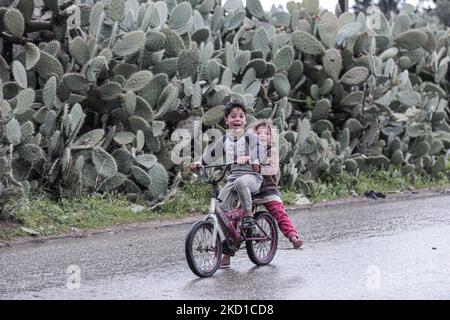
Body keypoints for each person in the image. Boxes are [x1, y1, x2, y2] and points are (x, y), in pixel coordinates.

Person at [220, 119, 304, 268]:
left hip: (267, 189)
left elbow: (271, 169)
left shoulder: (272, 151)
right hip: (250, 191)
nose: (262, 136)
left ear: (271, 137)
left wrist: (258, 168)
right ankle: (227, 255)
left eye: (266, 133)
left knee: (279, 213)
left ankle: (293, 237)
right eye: (258, 133)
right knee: (235, 222)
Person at [190, 101, 264, 229]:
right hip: (233, 179)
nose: (237, 119)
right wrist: (199, 163)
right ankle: (230, 241)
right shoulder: (225, 140)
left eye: (241, 116)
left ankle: (248, 215)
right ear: (226, 120)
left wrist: (251, 158)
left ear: (245, 120)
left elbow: (259, 148)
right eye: (233, 116)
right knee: (220, 209)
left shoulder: (249, 136)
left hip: (252, 177)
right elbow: (211, 155)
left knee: (240, 182)